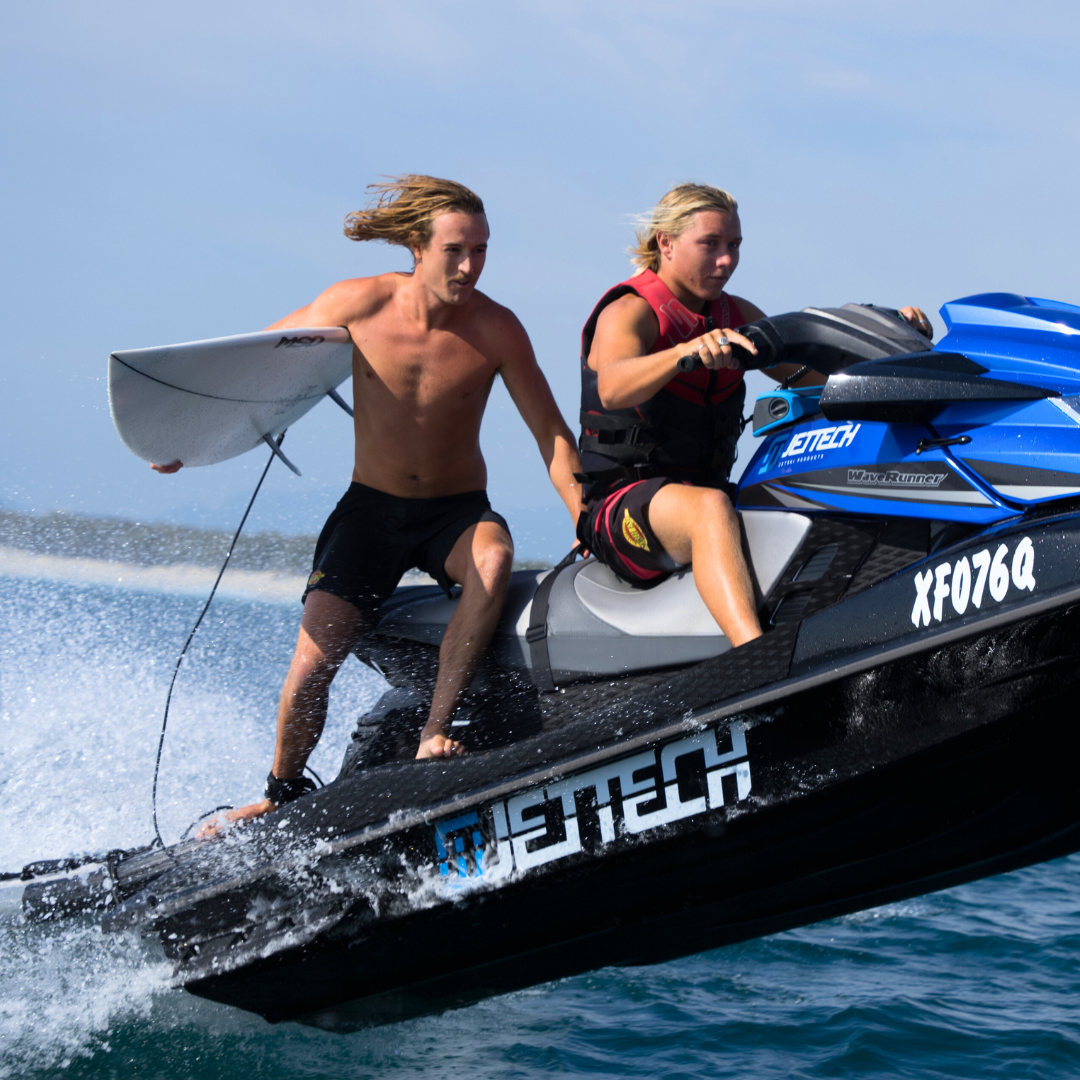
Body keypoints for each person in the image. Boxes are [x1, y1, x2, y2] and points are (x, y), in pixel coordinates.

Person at [154, 175, 584, 829]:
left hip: (454, 512)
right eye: (455, 250)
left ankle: (434, 733)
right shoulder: (356, 303)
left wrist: (588, 519)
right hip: (371, 513)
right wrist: (186, 434)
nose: (470, 266)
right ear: (417, 245)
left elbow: (551, 435)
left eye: (481, 251)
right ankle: (282, 792)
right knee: (311, 665)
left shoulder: (498, 329)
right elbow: (250, 364)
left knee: (494, 561)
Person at [576, 182, 931, 643]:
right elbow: (613, 386)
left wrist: (896, 342)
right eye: (710, 245)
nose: (726, 260)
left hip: (709, 496)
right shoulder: (630, 311)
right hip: (622, 507)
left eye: (734, 246)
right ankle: (756, 659)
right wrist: (681, 354)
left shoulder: (735, 314)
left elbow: (817, 379)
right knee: (709, 508)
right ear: (665, 242)